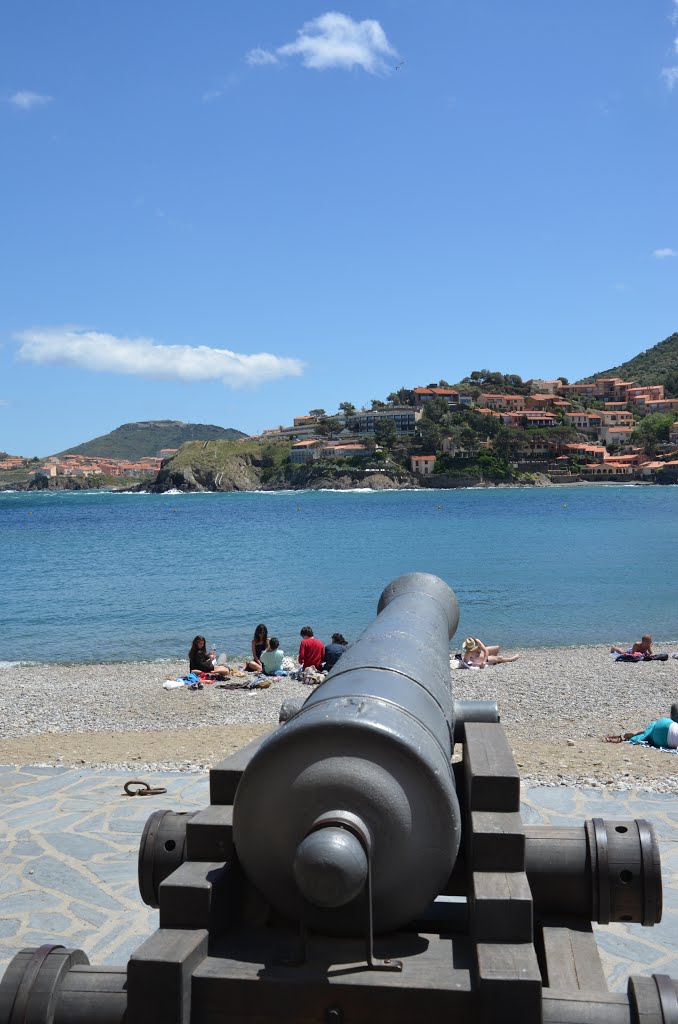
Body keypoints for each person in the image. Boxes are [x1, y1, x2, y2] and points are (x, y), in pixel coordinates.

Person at [605, 717, 678, 748]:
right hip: (661, 739)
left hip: (664, 723)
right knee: (651, 738)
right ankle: (634, 736)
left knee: (653, 728)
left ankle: (636, 733)